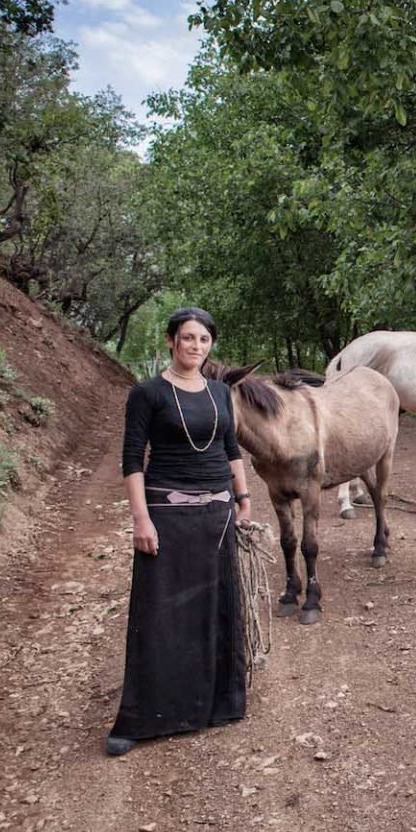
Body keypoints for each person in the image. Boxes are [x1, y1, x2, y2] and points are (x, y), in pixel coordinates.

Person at [107, 307, 252, 756]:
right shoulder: (147, 393)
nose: (196, 347)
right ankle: (144, 718)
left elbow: (231, 448)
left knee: (214, 609)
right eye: (188, 338)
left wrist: (243, 500)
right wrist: (140, 518)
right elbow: (133, 458)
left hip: (217, 515)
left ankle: (216, 706)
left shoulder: (219, 393)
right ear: (171, 341)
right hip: (166, 513)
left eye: (204, 340)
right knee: (161, 615)